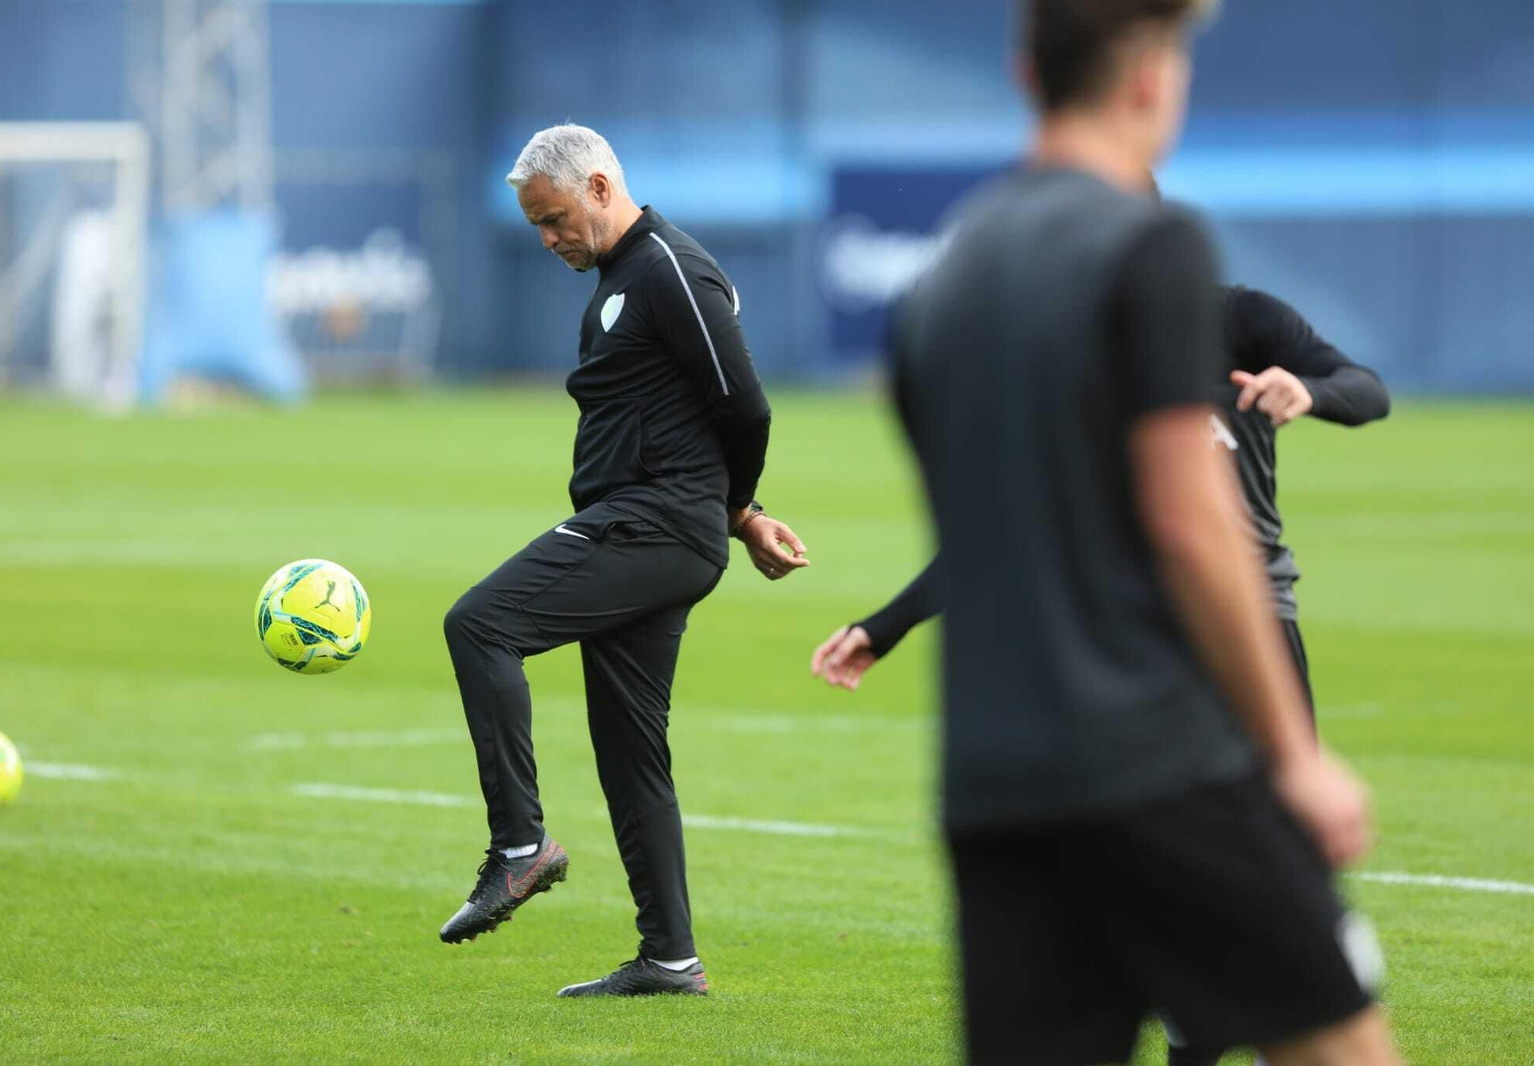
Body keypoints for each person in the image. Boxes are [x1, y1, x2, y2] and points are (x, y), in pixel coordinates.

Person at [838, 1, 1401, 1061]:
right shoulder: (1153, 246)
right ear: (1148, 76)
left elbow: (994, 532)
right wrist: (1292, 755)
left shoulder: (940, 286)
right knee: (1341, 1046)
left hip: (996, 785)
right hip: (1158, 755)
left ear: (1023, 72)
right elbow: (1191, 524)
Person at [813, 286, 1391, 1064]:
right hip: (1136, 643)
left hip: (1254, 626)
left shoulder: (1240, 318)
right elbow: (1004, 531)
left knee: (1288, 855)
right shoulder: (1065, 362)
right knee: (1165, 856)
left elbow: (1367, 393)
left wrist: (1308, 390)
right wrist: (884, 626)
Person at [439, 124, 809, 998]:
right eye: (535, 224)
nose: (547, 238)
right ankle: (670, 958)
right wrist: (738, 519)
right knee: (630, 749)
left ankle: (520, 847)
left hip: (656, 524)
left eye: (556, 217)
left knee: (480, 622)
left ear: (602, 187)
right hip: (652, 524)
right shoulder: (617, 280)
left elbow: (745, 406)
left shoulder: (670, 267)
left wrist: (732, 510)